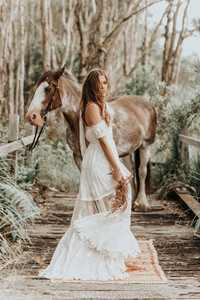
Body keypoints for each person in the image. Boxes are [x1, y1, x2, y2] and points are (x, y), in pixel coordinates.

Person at [38, 69, 141, 281]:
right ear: (92, 86)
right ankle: (91, 255)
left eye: (106, 82)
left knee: (108, 207)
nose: (105, 86)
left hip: (103, 159)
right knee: (104, 208)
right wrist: (116, 168)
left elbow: (98, 141)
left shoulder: (97, 106)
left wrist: (115, 165)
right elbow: (102, 141)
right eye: (101, 83)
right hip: (100, 162)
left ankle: (104, 253)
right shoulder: (91, 108)